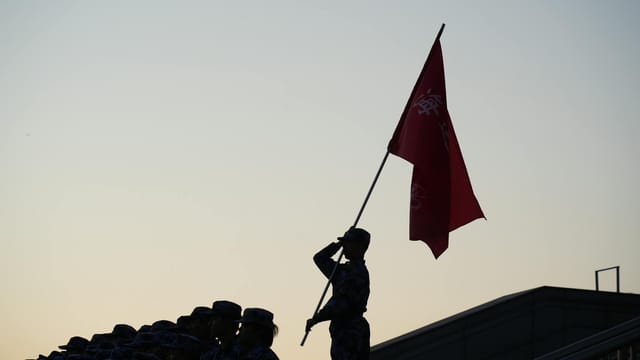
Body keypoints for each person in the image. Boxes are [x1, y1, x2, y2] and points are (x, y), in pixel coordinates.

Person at [306, 227, 371, 360]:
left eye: (349, 243)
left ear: (360, 246)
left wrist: (317, 318)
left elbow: (341, 303)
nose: (345, 247)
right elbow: (319, 258)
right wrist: (338, 245)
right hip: (341, 330)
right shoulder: (342, 271)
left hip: (352, 331)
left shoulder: (357, 273)